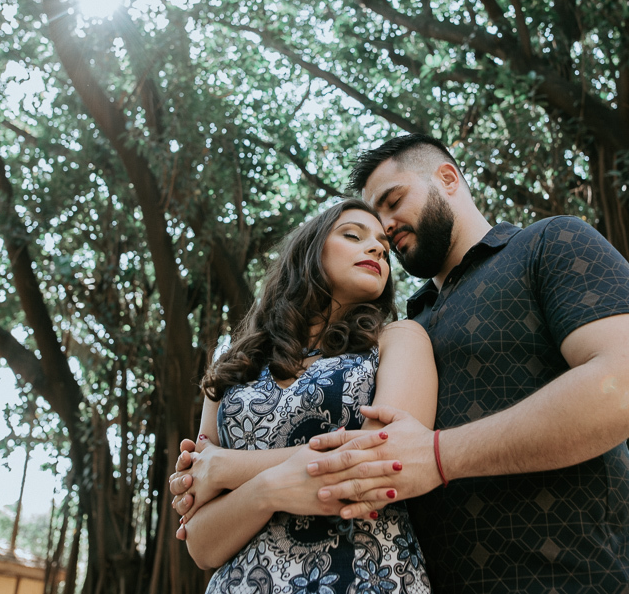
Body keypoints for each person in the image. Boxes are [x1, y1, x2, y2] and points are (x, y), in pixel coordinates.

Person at [178, 134, 629, 593]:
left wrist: (437, 455)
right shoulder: (407, 323)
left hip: (585, 576)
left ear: (448, 179)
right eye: (365, 224)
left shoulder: (547, 245)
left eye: (392, 203)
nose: (384, 233)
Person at [175, 197, 436, 594]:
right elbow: (201, 545)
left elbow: (379, 462)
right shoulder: (233, 368)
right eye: (353, 235)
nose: (376, 250)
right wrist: (267, 490)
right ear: (308, 251)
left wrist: (225, 468)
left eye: (384, 249)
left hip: (363, 580)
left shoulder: (398, 340)